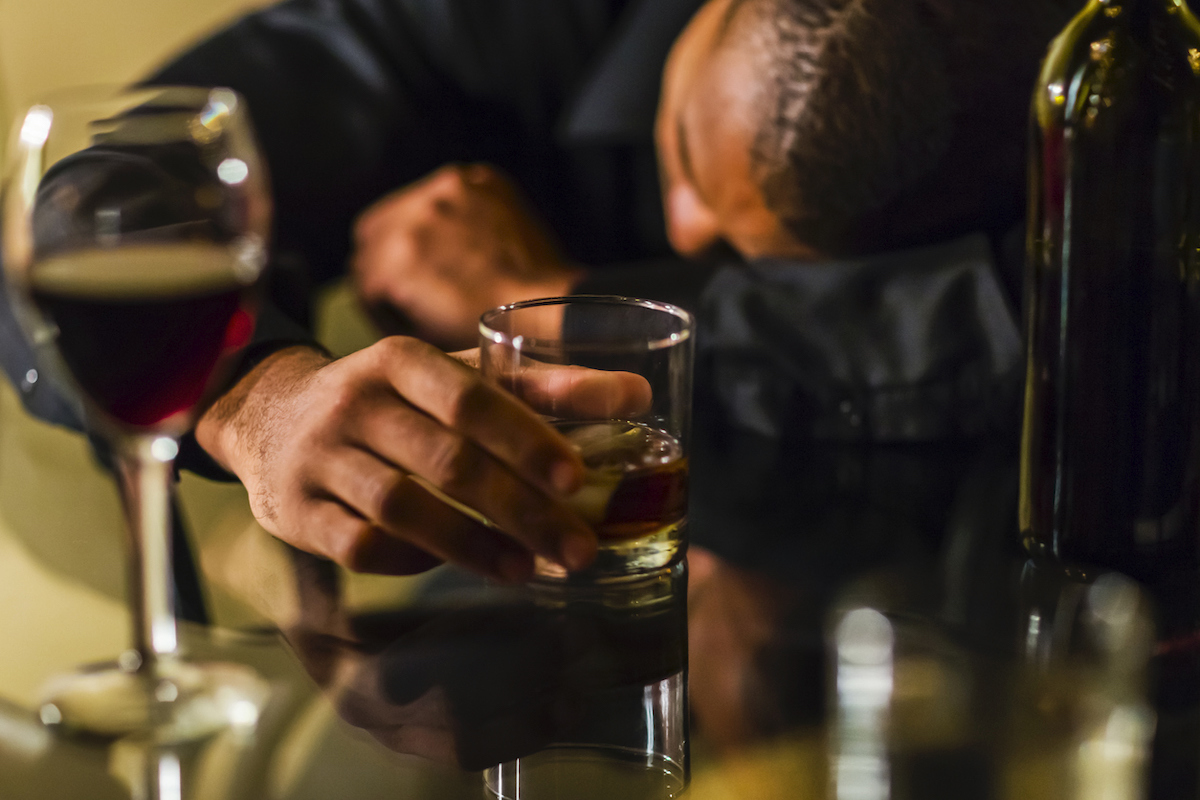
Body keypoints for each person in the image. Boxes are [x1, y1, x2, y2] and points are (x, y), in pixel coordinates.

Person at [1, 0, 1073, 584]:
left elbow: (1102, 330)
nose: (692, 229)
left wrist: (565, 299)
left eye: (776, 258)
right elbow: (97, 201)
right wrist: (255, 398)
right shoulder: (499, 22)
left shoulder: (1114, 105)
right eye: (692, 157)